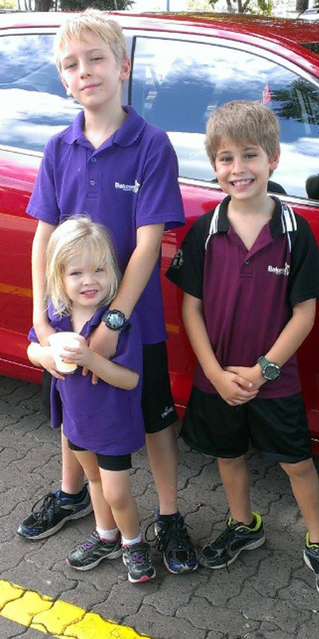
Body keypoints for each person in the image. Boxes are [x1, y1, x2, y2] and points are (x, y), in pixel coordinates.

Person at [18, 9, 197, 575]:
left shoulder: (151, 144)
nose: (85, 71)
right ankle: (82, 505)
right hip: (67, 317)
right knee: (78, 411)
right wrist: (44, 325)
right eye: (72, 64)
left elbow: (147, 245)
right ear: (64, 80)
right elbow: (42, 240)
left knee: (155, 417)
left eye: (96, 58)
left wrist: (114, 323)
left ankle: (168, 518)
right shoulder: (56, 147)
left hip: (133, 321)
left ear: (122, 66)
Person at [166, 100, 319, 602]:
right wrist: (215, 373)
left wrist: (265, 369)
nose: (237, 169)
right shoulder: (206, 230)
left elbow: (305, 313)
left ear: (273, 158)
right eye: (225, 159)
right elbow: (190, 311)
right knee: (229, 456)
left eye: (249, 156)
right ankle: (245, 524)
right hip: (218, 378)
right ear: (214, 167)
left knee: (297, 463)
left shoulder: (294, 232)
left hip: (275, 379)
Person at [27, 216, 156, 582]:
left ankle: (133, 542)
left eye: (99, 269)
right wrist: (44, 355)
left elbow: (130, 380)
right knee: (95, 483)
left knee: (116, 492)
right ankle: (106, 536)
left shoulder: (116, 323)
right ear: (59, 277)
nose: (89, 281)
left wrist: (90, 358)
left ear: (112, 271)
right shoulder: (57, 316)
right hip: (77, 424)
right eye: (76, 273)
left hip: (112, 425)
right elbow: (32, 348)